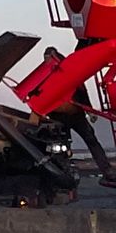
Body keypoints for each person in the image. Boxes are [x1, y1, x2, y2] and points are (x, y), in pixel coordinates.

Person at [14, 46, 116, 185]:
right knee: (62, 146)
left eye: (49, 57)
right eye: (45, 58)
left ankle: (107, 171)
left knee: (91, 141)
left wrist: (90, 111)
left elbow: (82, 90)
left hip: (76, 115)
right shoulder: (43, 77)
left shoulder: (68, 73)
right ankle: (63, 172)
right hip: (58, 117)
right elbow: (36, 97)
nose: (47, 60)